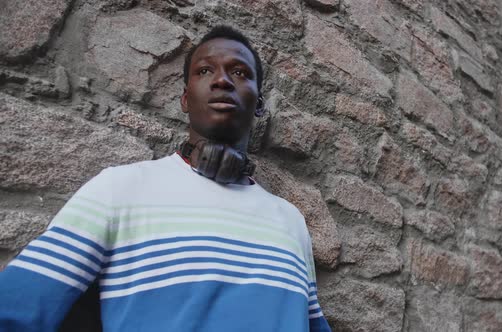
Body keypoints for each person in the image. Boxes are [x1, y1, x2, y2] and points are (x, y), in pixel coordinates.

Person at [0, 26, 332, 332]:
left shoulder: (291, 221)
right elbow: (13, 312)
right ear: (185, 99)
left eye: (240, 72)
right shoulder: (119, 188)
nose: (221, 81)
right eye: (204, 71)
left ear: (259, 103)